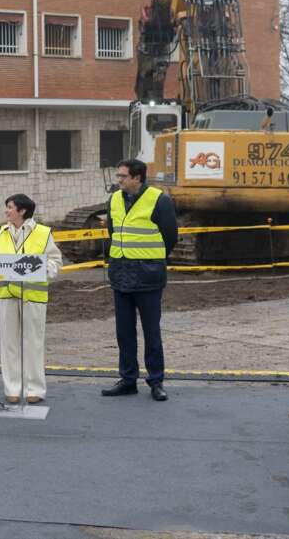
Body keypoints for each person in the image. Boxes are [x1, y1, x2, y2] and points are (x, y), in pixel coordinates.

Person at [100, 158, 178, 402]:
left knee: (151, 332)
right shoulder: (114, 199)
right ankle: (128, 380)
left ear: (137, 178)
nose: (119, 180)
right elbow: (113, 232)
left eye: (123, 176)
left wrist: (151, 260)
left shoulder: (159, 200)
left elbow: (170, 236)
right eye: (118, 176)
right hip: (121, 274)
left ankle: (156, 381)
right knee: (124, 332)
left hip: (148, 276)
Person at [0, 193, 61, 404]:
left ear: (22, 211)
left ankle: (34, 389)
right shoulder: (1, 233)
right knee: (8, 343)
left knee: (33, 343)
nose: (6, 211)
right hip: (5, 294)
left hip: (32, 295)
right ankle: (12, 388)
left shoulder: (43, 233)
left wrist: (42, 270)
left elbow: (55, 261)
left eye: (10, 207)